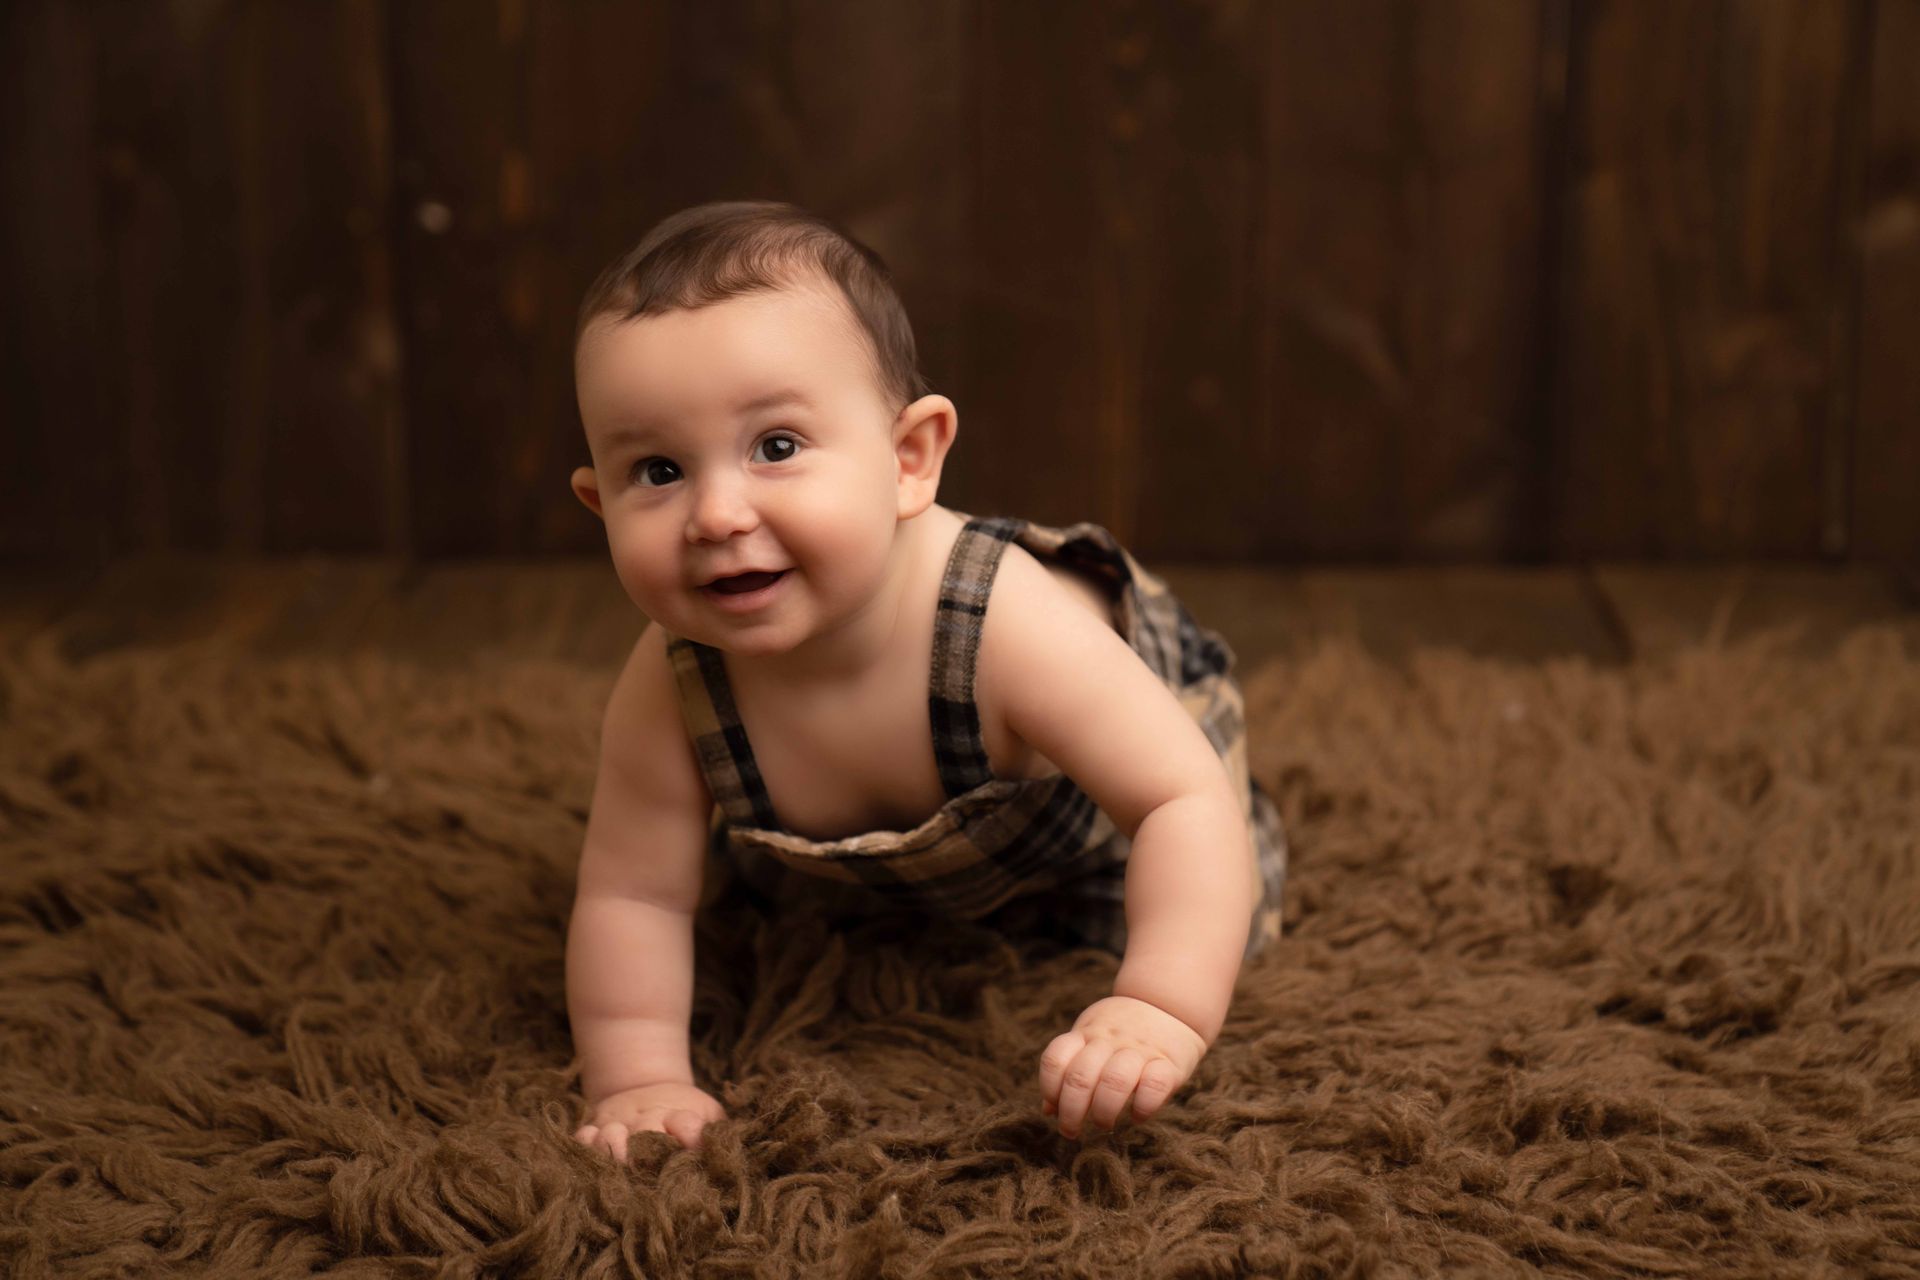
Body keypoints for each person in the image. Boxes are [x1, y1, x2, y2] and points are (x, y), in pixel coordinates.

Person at [563, 200, 1287, 1159]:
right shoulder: (671, 680)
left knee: (1205, 889)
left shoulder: (1006, 624)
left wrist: (1157, 1007)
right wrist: (641, 1078)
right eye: (657, 470)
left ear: (910, 460)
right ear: (596, 502)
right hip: (907, 864)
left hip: (1098, 824)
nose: (717, 514)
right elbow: (632, 895)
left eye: (775, 447)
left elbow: (1179, 797)